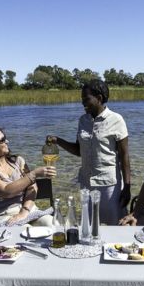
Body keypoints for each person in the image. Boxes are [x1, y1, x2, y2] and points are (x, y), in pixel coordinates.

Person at [46, 79, 131, 225]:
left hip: (109, 184)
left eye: (86, 99)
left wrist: (127, 187)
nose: (82, 103)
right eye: (82, 99)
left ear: (99, 98)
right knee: (90, 225)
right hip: (86, 183)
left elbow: (124, 156)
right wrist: (58, 140)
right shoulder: (83, 121)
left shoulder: (116, 120)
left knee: (115, 225)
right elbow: (79, 151)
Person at [0, 127, 57, 227]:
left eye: (5, 138)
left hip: (29, 210)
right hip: (5, 216)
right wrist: (34, 174)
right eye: (2, 140)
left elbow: (32, 187)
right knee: (24, 231)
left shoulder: (18, 161)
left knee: (53, 224)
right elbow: (6, 191)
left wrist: (24, 212)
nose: (7, 141)